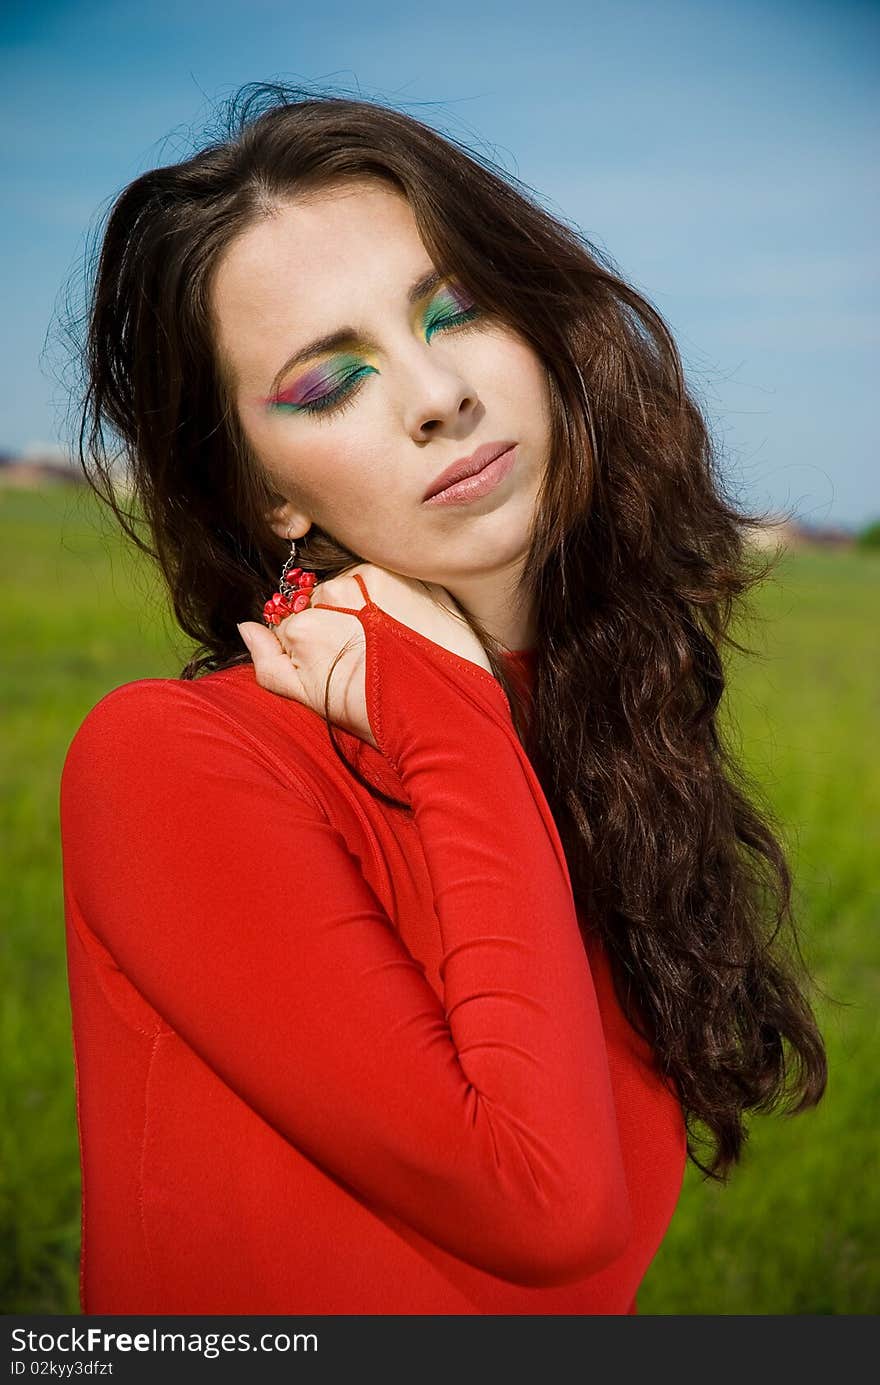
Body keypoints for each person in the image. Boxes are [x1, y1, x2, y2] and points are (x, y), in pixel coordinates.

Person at [59, 83, 827, 1315]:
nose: (434, 395)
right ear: (267, 498)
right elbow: (545, 1204)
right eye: (328, 383)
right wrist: (447, 721)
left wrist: (473, 719)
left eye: (454, 309)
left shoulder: (607, 749)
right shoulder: (170, 760)